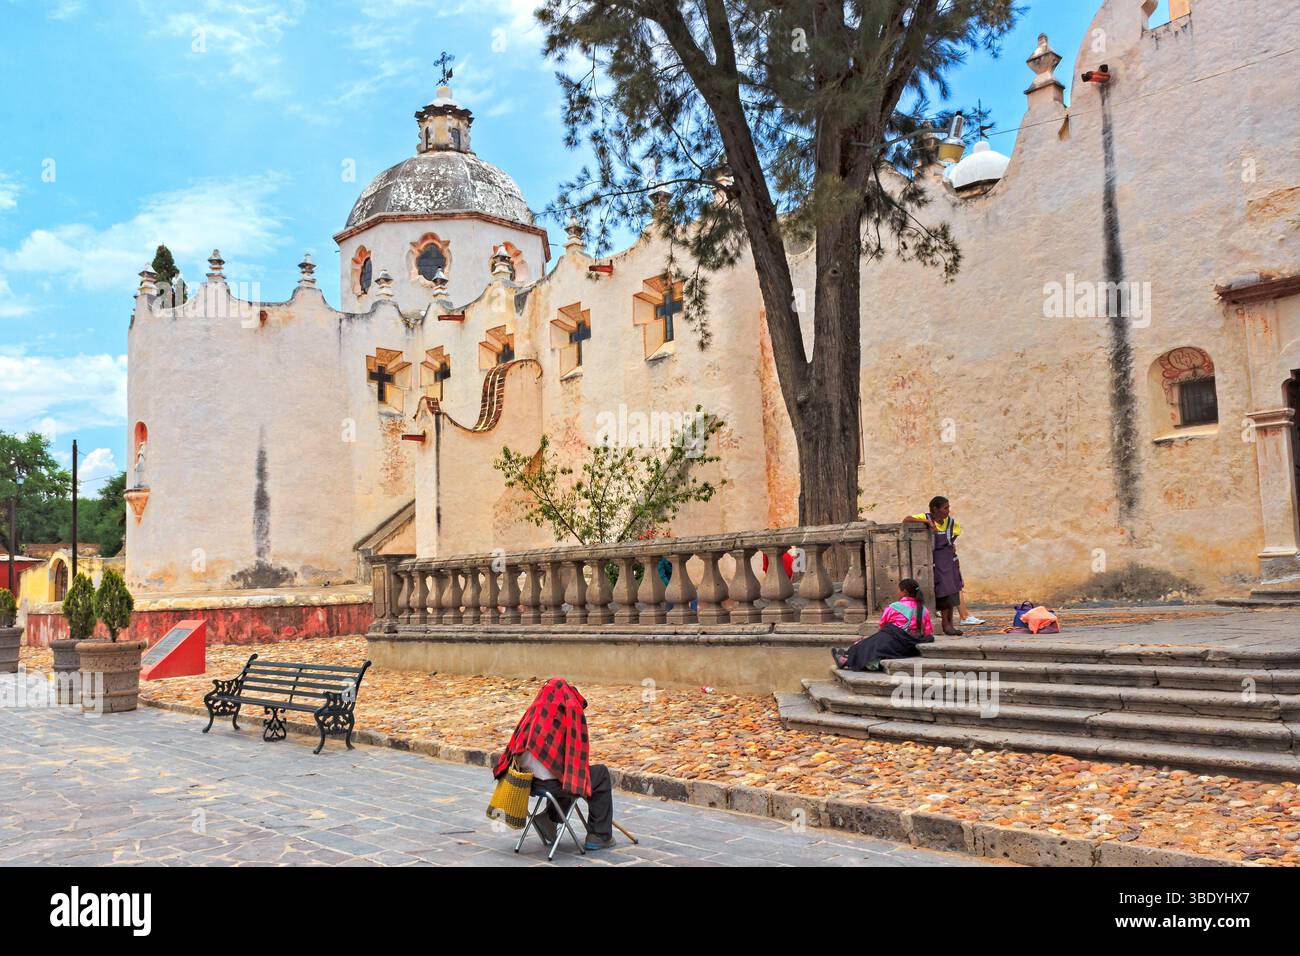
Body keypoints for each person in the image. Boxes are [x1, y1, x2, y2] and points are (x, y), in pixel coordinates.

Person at [492, 677, 616, 851]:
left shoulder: (531, 715)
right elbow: (575, 761)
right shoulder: (567, 715)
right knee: (598, 774)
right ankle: (599, 835)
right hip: (552, 784)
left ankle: (549, 818)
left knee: (561, 775)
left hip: (529, 784)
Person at [831, 578, 933, 671]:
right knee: (873, 641)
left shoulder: (894, 607)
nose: (897, 592)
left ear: (904, 592)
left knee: (870, 642)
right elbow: (928, 631)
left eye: (898, 590)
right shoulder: (924, 610)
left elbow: (883, 625)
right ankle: (846, 656)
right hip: (909, 645)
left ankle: (846, 658)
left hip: (894, 641)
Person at [903, 496, 966, 636]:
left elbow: (952, 539)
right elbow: (906, 520)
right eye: (945, 508)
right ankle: (945, 625)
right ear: (935, 509)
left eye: (948, 507)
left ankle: (950, 624)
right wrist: (927, 522)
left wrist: (952, 547)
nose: (948, 511)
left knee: (953, 591)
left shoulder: (951, 523)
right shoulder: (925, 517)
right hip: (937, 562)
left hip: (949, 561)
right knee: (944, 591)